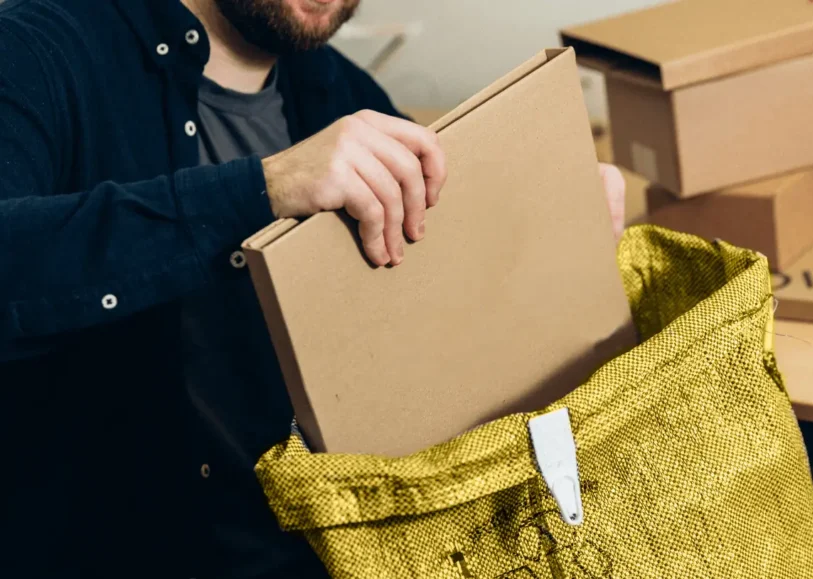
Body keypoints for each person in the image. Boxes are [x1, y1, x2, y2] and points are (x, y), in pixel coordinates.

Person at [0, 0, 627, 577]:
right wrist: (262, 188)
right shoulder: (38, 48)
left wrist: (555, 215)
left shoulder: (344, 93)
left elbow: (440, 320)